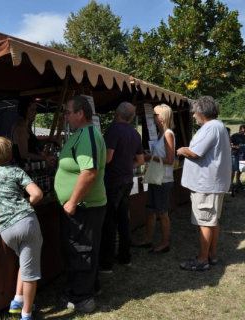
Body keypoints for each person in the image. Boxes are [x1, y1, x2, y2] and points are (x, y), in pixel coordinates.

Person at [0, 137, 43, 320]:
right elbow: (37, 194)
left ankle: (17, 301)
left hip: (5, 229)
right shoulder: (16, 171)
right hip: (26, 223)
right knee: (31, 273)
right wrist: (25, 206)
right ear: (10, 155)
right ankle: (26, 314)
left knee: (25, 262)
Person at [54, 95, 107, 313]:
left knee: (81, 250)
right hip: (81, 205)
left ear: (80, 113)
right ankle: (87, 289)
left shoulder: (88, 135)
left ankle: (83, 298)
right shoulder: (82, 134)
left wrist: (72, 202)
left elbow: (90, 172)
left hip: (84, 206)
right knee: (82, 249)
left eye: (67, 112)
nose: (65, 117)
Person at [177, 96, 231, 271]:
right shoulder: (219, 126)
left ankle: (202, 260)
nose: (193, 116)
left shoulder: (210, 127)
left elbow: (195, 153)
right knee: (212, 221)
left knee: (205, 222)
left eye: (194, 113)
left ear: (201, 112)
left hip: (206, 185)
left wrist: (182, 150)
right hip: (212, 183)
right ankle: (211, 255)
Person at [99, 102, 144, 273]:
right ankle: (125, 256)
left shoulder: (113, 130)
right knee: (124, 220)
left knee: (110, 222)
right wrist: (126, 167)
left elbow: (107, 158)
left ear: (117, 113)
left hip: (112, 182)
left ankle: (107, 262)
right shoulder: (134, 133)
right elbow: (140, 161)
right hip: (127, 181)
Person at [137, 104, 175, 254]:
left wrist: (149, 157)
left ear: (162, 117)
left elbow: (170, 160)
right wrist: (149, 154)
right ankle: (148, 239)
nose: (153, 117)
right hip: (156, 177)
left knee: (162, 212)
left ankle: (165, 243)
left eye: (155, 115)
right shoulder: (162, 134)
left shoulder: (168, 134)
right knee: (151, 210)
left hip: (163, 179)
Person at [11, 97, 57, 167]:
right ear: (25, 111)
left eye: (35, 109)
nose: (36, 112)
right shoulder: (20, 128)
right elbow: (24, 155)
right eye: (32, 110)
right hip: (24, 168)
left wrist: (48, 140)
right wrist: (46, 158)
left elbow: (33, 145)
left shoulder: (27, 126)